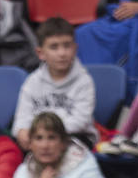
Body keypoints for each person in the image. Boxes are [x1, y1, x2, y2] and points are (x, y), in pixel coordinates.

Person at [12, 18, 96, 151]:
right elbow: (21, 118)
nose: (62, 53)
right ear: (41, 53)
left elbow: (81, 121)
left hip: (74, 138)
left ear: (75, 49)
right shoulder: (32, 81)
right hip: (39, 138)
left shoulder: (84, 81)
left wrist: (46, 133)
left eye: (67, 46)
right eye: (54, 47)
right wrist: (22, 131)